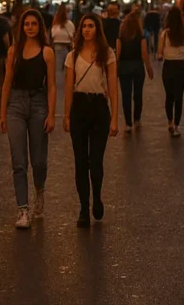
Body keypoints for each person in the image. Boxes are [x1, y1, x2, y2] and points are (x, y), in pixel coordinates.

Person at [0, 10, 56, 229]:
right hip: (16, 104)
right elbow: (6, 82)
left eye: (33, 24)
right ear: (21, 27)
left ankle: (39, 189)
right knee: (18, 160)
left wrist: (51, 114)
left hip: (38, 103)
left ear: (40, 27)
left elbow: (51, 86)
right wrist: (2, 112)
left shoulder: (47, 52)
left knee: (39, 160)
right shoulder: (14, 51)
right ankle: (23, 209)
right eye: (26, 24)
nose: (30, 27)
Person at [64, 13, 119, 227]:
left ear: (98, 29)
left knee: (95, 160)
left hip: (99, 108)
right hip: (79, 107)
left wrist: (115, 118)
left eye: (91, 26)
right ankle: (83, 209)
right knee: (80, 162)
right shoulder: (73, 55)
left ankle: (97, 196)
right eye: (84, 26)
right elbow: (68, 88)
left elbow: (113, 88)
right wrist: (66, 115)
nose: (87, 29)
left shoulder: (107, 54)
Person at [116, 10, 154, 133]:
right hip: (138, 67)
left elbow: (117, 55)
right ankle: (137, 118)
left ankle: (128, 123)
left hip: (124, 67)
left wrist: (114, 69)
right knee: (138, 94)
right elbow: (144, 54)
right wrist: (149, 68)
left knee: (126, 95)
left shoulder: (120, 38)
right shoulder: (141, 38)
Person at [158, 6, 184, 137]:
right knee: (179, 97)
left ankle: (170, 122)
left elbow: (159, 53)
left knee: (169, 96)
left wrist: (162, 54)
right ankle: (177, 125)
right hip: (181, 67)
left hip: (168, 66)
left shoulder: (164, 34)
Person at [51, 3, 75, 85]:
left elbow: (53, 35)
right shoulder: (70, 24)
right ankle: (66, 83)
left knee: (58, 68)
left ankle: (57, 84)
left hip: (57, 46)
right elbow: (72, 35)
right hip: (68, 47)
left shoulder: (55, 24)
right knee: (68, 67)